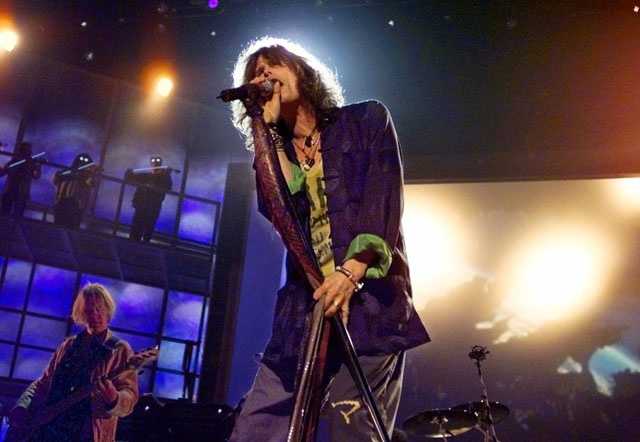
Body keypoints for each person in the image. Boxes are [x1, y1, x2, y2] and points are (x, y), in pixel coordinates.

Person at [227, 38, 430, 441]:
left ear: (300, 70)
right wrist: (265, 132)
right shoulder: (273, 150)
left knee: (353, 426)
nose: (264, 76)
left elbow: (382, 198)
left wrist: (352, 270)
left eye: (272, 67)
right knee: (257, 425)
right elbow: (278, 209)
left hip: (369, 300)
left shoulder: (366, 120)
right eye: (256, 74)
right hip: (307, 308)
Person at [8, 283, 139, 442]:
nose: (95, 315)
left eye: (99, 309)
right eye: (89, 310)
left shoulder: (120, 349)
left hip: (85, 434)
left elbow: (130, 396)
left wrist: (114, 398)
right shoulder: (68, 345)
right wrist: (23, 405)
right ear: (82, 313)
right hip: (49, 431)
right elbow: (43, 383)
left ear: (108, 310)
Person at [125, 156, 172, 242]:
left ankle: (144, 243)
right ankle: (134, 242)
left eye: (157, 162)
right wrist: (129, 172)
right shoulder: (146, 176)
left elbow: (168, 187)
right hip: (142, 204)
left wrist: (167, 175)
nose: (155, 164)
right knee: (138, 224)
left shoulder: (164, 178)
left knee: (149, 225)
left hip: (153, 205)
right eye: (153, 161)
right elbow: (129, 178)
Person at [53, 153, 99, 229]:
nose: (81, 164)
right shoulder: (66, 172)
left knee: (72, 227)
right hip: (62, 201)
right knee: (58, 226)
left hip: (76, 205)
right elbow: (56, 180)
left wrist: (92, 174)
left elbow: (92, 184)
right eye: (80, 161)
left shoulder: (87, 176)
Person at [0, 142, 41, 217]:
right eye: (25, 150)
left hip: (20, 192)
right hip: (12, 191)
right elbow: (3, 172)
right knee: (6, 214)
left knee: (15, 215)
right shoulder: (16, 161)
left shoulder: (31, 163)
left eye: (28, 150)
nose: (27, 152)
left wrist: (38, 167)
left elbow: (36, 176)